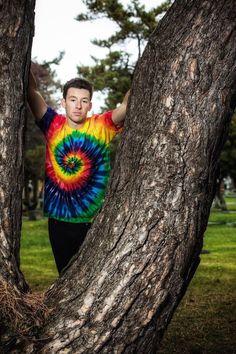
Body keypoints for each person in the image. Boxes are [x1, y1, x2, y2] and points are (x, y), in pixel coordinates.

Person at [27, 68, 130, 273]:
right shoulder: (52, 124)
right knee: (66, 279)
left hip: (93, 223)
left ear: (90, 105)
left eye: (84, 101)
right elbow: (31, 90)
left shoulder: (101, 126)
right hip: (59, 222)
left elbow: (127, 105)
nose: (78, 105)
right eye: (73, 99)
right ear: (63, 102)